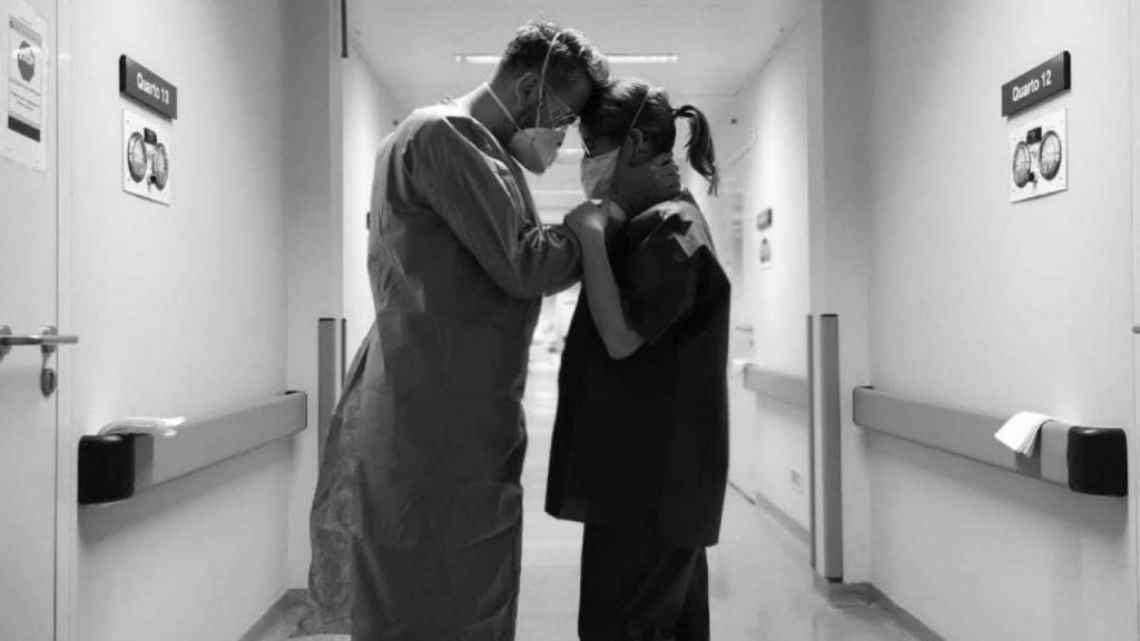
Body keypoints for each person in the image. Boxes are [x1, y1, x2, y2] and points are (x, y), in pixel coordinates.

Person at [302, 20, 680, 641]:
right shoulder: (445, 136)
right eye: (563, 116)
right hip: (437, 421)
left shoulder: (473, 152)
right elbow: (525, 262)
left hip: (453, 410)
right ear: (529, 87)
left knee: (452, 589)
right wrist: (599, 223)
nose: (561, 134)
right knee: (437, 598)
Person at [546, 78, 731, 641]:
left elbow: (622, 337)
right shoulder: (657, 221)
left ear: (633, 145)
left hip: (650, 495)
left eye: (592, 147)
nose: (588, 162)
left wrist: (590, 237)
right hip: (651, 489)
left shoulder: (674, 229)